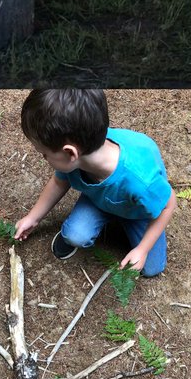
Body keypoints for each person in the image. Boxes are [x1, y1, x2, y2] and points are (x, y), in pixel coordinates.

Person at [14, 88, 177, 277]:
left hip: (138, 212)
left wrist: (142, 249)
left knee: (151, 268)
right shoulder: (81, 150)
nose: (44, 158)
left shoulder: (140, 180)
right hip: (100, 199)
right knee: (75, 235)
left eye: (44, 154)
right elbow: (59, 182)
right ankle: (106, 216)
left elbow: (168, 205)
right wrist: (33, 217)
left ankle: (126, 223)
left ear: (70, 153)